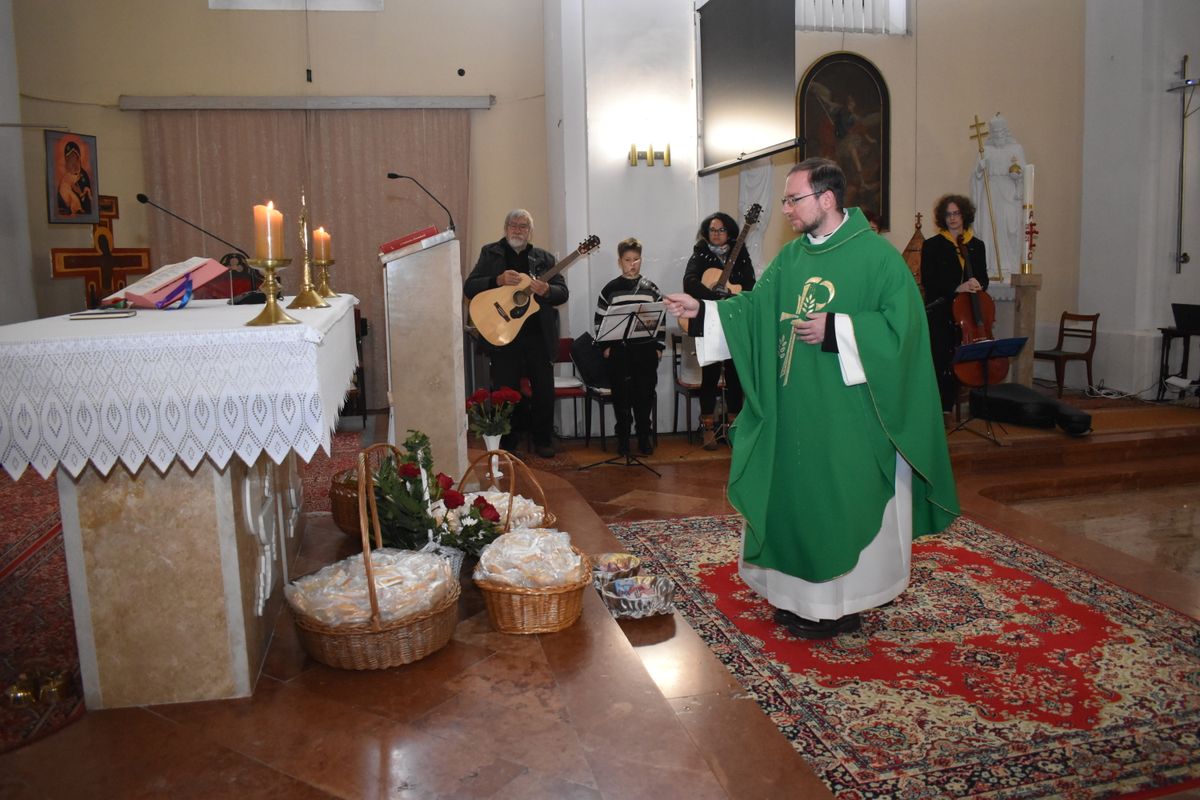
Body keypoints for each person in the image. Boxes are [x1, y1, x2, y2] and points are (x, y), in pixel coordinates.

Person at [663, 158, 959, 640]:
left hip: (852, 418)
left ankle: (841, 606)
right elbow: (756, 311)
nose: (786, 209)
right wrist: (702, 312)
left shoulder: (877, 257)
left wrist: (838, 328)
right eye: (785, 199)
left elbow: (906, 334)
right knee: (796, 500)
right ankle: (797, 597)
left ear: (827, 199)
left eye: (793, 199)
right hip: (793, 408)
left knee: (839, 501)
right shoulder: (793, 257)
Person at [464, 209, 568, 458]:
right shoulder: (491, 253)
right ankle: (507, 441)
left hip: (537, 336)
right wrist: (496, 280)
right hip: (503, 335)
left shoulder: (543, 258)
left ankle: (542, 439)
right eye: (513, 225)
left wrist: (546, 290)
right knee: (505, 390)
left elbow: (562, 292)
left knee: (544, 390)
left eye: (523, 226)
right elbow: (470, 286)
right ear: (505, 228)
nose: (518, 229)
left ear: (530, 231)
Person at [683, 212, 756, 449]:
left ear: (730, 233)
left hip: (734, 319)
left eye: (721, 230)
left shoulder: (740, 253)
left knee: (736, 376)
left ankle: (734, 428)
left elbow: (750, 284)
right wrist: (715, 294)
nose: (716, 234)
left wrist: (732, 295)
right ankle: (708, 427)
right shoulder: (700, 253)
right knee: (710, 376)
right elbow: (690, 282)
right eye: (712, 230)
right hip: (710, 320)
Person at [594, 238, 665, 456]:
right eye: (627, 260)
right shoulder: (610, 290)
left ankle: (644, 437)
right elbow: (599, 321)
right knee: (621, 398)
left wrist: (659, 347)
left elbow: (660, 319)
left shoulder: (651, 288)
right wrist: (605, 346)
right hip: (619, 352)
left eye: (636, 259)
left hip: (644, 351)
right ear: (619, 262)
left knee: (644, 396)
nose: (632, 264)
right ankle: (623, 439)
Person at [920, 194, 988, 414]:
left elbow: (984, 279)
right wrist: (956, 288)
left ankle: (973, 403)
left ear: (964, 215)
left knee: (969, 359)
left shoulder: (977, 245)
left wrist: (978, 283)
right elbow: (929, 282)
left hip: (968, 313)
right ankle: (942, 409)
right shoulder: (932, 245)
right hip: (942, 312)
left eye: (956, 213)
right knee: (942, 361)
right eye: (948, 214)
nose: (952, 218)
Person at [969, 114, 1026, 282]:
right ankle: (990, 267)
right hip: (990, 194)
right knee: (989, 226)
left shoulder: (1016, 149)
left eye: (1001, 133)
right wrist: (980, 169)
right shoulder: (985, 150)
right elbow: (975, 178)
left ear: (1006, 132)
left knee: (1009, 226)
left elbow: (1024, 173)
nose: (999, 137)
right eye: (996, 133)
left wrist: (1017, 177)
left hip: (1009, 193)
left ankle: (1009, 266)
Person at [57, 140, 93, 216]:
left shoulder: (84, 175)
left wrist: (82, 196)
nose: (71, 161)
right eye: (69, 158)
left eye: (73, 157)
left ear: (78, 158)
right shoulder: (66, 176)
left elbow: (89, 202)